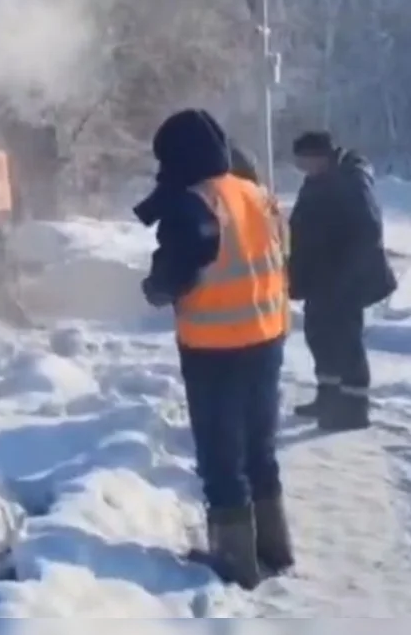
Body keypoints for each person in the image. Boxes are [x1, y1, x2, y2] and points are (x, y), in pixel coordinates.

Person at [135, 109, 291, 590]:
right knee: (259, 450)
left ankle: (235, 562)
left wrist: (153, 287)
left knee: (222, 458)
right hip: (267, 337)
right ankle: (274, 548)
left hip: (215, 349)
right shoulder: (257, 194)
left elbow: (175, 276)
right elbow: (280, 253)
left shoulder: (193, 205)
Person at [288, 131, 397, 432]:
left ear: (319, 155)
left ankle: (352, 409)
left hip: (343, 280)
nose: (301, 167)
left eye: (303, 160)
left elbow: (368, 229)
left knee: (345, 342)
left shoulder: (351, 179)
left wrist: (346, 273)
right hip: (320, 279)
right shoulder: (318, 180)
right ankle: (329, 397)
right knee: (319, 337)